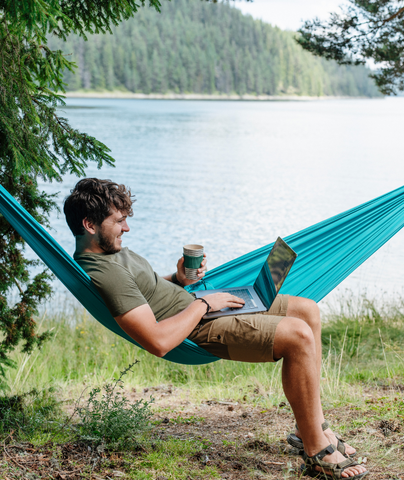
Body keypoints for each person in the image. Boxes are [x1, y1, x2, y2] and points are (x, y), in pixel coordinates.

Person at [64, 178, 368, 479]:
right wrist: (206, 305)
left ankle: (310, 427)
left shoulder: (112, 252)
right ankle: (317, 451)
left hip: (197, 305)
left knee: (308, 311)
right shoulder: (105, 273)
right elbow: (158, 340)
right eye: (119, 221)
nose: (126, 229)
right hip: (199, 326)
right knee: (298, 335)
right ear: (90, 224)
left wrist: (178, 279)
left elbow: (148, 293)